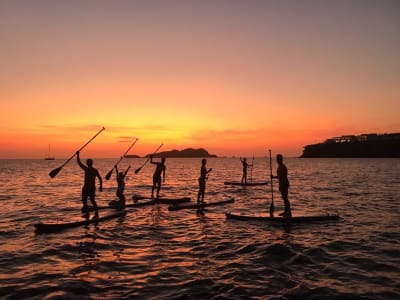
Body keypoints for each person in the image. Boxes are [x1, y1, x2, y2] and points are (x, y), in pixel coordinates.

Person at [76, 151, 103, 219]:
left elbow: (79, 163)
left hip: (89, 187)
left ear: (89, 163)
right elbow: (100, 178)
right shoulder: (91, 169)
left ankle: (94, 213)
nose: (87, 163)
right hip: (87, 187)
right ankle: (90, 213)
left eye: (88, 162)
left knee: (89, 200)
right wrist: (100, 186)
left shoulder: (88, 169)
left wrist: (78, 155)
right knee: (87, 200)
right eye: (87, 162)